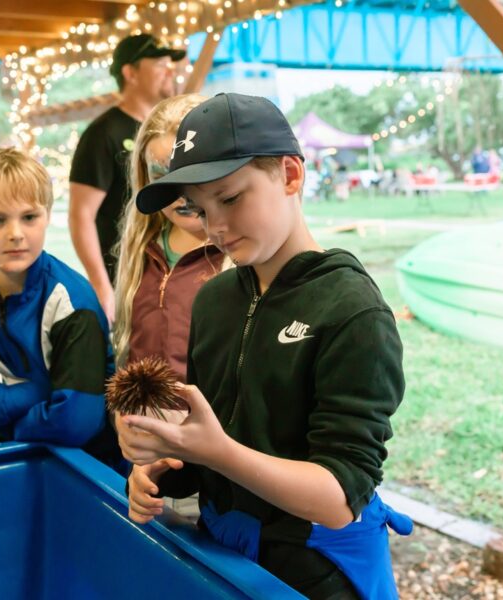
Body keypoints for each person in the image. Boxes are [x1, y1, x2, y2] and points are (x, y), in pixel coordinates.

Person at [116, 93, 411, 599]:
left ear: (290, 174)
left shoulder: (351, 310)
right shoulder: (213, 300)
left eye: (230, 199)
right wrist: (163, 464)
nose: (215, 226)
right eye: (199, 209)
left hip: (317, 569)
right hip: (224, 555)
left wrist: (219, 453)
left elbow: (340, 496)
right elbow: (215, 444)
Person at [0, 147, 119, 468]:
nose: (16, 234)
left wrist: (9, 426)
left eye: (30, 217)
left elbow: (76, 423)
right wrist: (39, 392)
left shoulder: (72, 303)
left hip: (95, 468)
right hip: (26, 461)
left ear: (47, 215)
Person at [69, 34, 186, 324]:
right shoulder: (102, 134)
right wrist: (101, 285)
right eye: (160, 64)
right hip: (127, 277)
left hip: (172, 270)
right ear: (130, 72)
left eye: (170, 63)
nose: (170, 70)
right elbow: (81, 215)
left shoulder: (168, 133)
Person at [112, 93, 228, 382]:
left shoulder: (239, 254)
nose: (180, 195)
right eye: (162, 176)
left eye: (190, 174)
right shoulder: (141, 248)